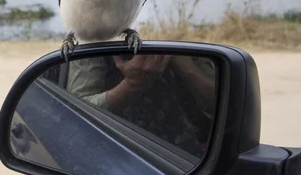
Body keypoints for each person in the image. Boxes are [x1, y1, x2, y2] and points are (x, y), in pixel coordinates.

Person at [65, 54, 217, 158]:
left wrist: (184, 66)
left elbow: (221, 104)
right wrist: (131, 85)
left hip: (183, 153)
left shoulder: (180, 42)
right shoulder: (94, 37)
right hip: (123, 154)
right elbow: (78, 111)